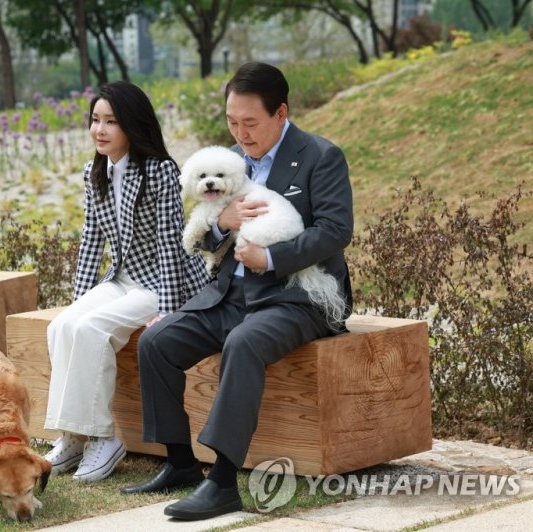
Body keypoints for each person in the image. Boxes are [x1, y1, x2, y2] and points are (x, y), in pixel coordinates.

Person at [121, 62, 354, 520]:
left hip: (296, 297)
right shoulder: (227, 160)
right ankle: (181, 464)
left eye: (251, 122)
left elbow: (335, 230)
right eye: (232, 121)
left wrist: (269, 259)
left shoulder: (320, 156)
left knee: (242, 343)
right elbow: (208, 234)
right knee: (157, 341)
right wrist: (220, 227)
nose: (241, 133)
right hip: (231, 295)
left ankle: (224, 483)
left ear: (281, 112)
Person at [43, 81, 210, 483]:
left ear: (132, 126)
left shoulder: (159, 170)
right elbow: (91, 239)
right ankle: (74, 435)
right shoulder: (94, 171)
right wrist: (79, 299)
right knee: (63, 325)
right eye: (95, 120)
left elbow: (172, 244)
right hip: (121, 278)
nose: (99, 130)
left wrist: (169, 311)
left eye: (111, 122)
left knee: (92, 328)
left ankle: (104, 438)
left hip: (161, 284)